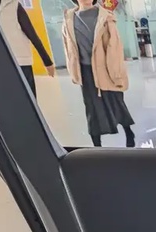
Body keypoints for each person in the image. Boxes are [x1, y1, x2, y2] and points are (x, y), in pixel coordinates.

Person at [62, 0, 135, 148]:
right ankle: (97, 144)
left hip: (106, 68)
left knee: (116, 101)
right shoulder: (69, 19)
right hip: (85, 71)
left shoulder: (106, 17)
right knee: (92, 107)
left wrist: (115, 70)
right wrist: (73, 69)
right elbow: (68, 47)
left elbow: (114, 45)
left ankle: (128, 132)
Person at [0, 0, 55, 97]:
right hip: (0, 63)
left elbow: (31, 34)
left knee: (24, 98)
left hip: (18, 62)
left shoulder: (13, 5)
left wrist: (47, 61)